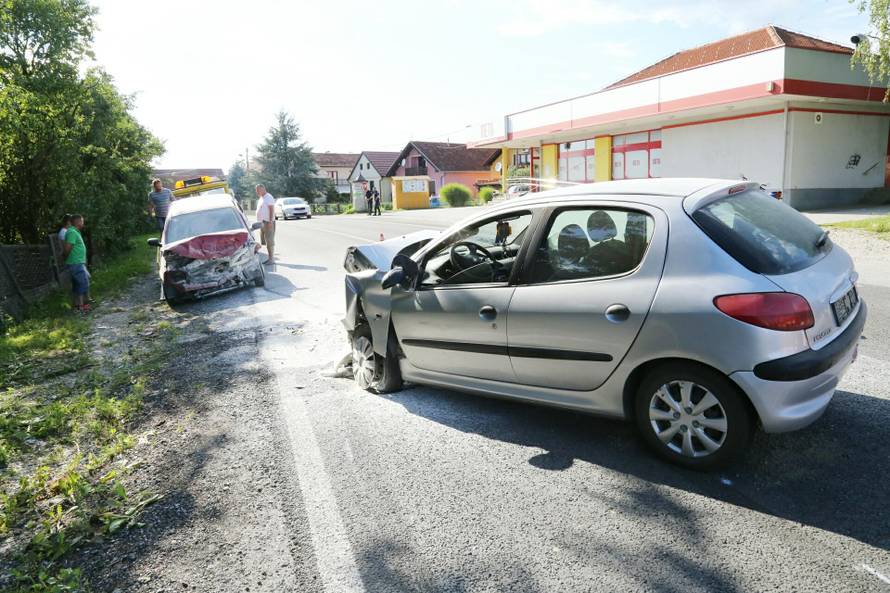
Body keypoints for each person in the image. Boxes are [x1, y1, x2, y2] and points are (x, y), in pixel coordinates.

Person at [63, 214, 90, 314]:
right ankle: (81, 307)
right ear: (78, 222)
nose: (83, 223)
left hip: (78, 262)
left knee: (79, 283)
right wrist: (65, 257)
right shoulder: (72, 232)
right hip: (75, 263)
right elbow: (67, 248)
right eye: (82, 221)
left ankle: (77, 307)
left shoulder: (75, 232)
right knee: (83, 283)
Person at [255, 184, 276, 264]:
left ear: (263, 189)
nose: (257, 192)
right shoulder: (262, 198)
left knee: (269, 241)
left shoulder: (268, 197)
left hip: (268, 222)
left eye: (258, 190)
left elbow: (271, 210)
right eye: (256, 190)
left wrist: (270, 221)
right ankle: (270, 258)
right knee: (266, 241)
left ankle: (271, 259)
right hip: (263, 223)